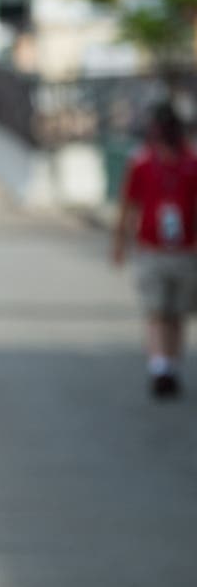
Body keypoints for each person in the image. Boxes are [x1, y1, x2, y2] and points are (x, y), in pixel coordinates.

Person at [112, 101, 197, 399]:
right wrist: (120, 242)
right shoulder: (142, 162)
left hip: (185, 249)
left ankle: (171, 364)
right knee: (156, 310)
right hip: (151, 248)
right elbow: (129, 205)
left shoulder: (191, 163)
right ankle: (160, 365)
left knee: (176, 313)